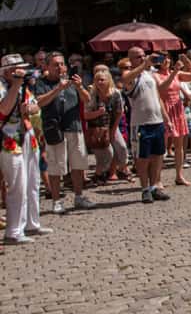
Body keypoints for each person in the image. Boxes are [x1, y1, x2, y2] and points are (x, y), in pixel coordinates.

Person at [0, 55, 53, 248]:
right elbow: (3, 110)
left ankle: (31, 223)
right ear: (8, 71)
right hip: (8, 139)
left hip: (26, 134)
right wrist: (15, 86)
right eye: (18, 69)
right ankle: (14, 231)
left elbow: (35, 104)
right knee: (17, 185)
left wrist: (29, 107)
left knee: (32, 181)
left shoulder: (23, 86)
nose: (22, 72)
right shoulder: (3, 86)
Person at [35, 51, 95, 212]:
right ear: (47, 66)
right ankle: (56, 201)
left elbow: (87, 100)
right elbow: (39, 102)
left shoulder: (72, 81)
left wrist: (79, 86)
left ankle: (79, 197)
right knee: (55, 166)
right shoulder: (42, 83)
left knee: (78, 164)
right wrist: (57, 89)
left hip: (73, 126)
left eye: (62, 64)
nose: (60, 67)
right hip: (55, 129)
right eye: (56, 64)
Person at [122, 47, 170, 204]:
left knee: (158, 155)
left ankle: (155, 186)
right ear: (131, 59)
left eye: (144, 56)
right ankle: (144, 189)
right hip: (141, 124)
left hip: (157, 121)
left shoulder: (149, 75)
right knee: (142, 158)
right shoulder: (132, 76)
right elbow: (125, 79)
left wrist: (166, 117)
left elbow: (158, 97)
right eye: (138, 57)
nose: (142, 59)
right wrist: (143, 66)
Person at [155, 54, 191, 186]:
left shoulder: (177, 73)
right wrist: (174, 72)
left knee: (179, 145)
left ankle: (179, 175)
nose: (166, 61)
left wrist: (188, 62)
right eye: (163, 59)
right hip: (164, 109)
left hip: (177, 108)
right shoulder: (155, 75)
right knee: (161, 146)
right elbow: (162, 88)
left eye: (168, 58)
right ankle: (157, 178)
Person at [83, 68, 125, 184]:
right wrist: (98, 113)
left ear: (109, 80)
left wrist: (113, 131)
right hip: (97, 128)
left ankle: (121, 169)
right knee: (106, 154)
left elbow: (119, 112)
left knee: (122, 148)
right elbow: (85, 115)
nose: (99, 82)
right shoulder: (91, 94)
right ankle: (99, 175)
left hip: (111, 126)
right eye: (97, 80)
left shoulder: (116, 93)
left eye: (102, 80)